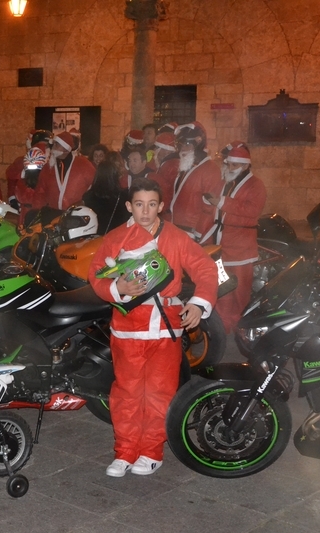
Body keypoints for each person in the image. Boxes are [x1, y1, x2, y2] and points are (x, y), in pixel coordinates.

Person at [88, 177, 217, 477]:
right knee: (126, 393)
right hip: (127, 328)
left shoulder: (176, 237)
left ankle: (151, 451)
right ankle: (125, 451)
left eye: (151, 204)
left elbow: (205, 268)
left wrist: (198, 304)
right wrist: (117, 287)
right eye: (139, 204)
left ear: (161, 206)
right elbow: (95, 274)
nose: (145, 212)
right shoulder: (115, 237)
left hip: (164, 328)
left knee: (159, 392)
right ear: (128, 206)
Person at [200, 141, 266, 332]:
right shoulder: (226, 182)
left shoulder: (256, 185)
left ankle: (241, 326)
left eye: (234, 165)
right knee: (222, 287)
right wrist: (209, 201)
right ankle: (222, 325)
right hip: (221, 245)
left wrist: (222, 202)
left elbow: (252, 210)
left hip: (241, 249)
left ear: (245, 166)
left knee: (239, 291)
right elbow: (215, 207)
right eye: (228, 164)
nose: (230, 168)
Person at [169, 121, 222, 240]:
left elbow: (209, 209)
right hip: (180, 231)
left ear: (198, 143)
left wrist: (198, 235)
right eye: (180, 145)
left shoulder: (210, 170)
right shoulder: (188, 167)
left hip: (193, 234)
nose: (183, 149)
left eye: (187, 144)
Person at [35, 131, 95, 211]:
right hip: (53, 214)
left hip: (76, 214)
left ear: (66, 148)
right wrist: (37, 211)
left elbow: (96, 187)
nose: (53, 147)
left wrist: (84, 201)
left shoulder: (84, 165)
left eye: (57, 144)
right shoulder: (47, 168)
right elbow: (40, 192)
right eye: (54, 144)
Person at [81, 160, 131, 234]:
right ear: (115, 176)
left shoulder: (88, 196)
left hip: (95, 238)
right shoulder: (123, 196)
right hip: (117, 236)